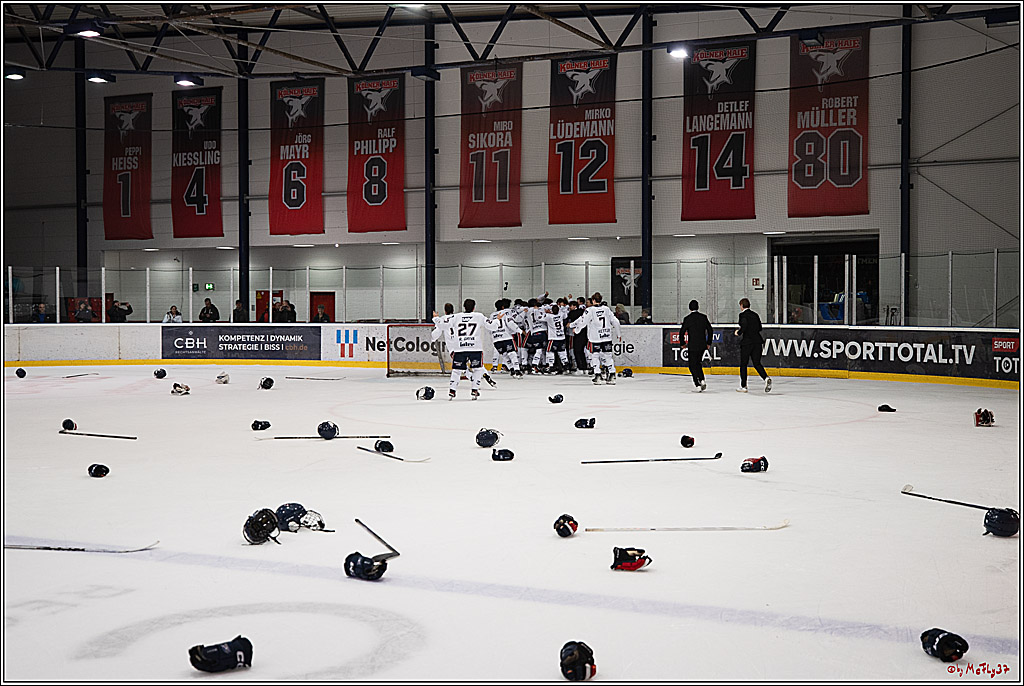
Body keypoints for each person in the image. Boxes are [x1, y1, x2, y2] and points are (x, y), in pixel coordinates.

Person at [437, 299, 500, 401]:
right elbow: (492, 326)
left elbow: (444, 325)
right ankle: (474, 389)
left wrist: (436, 319)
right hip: (475, 348)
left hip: (459, 347)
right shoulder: (479, 316)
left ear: (464, 307)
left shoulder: (456, 317)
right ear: (474, 307)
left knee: (456, 370)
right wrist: (497, 320)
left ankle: (452, 390)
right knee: (477, 369)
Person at [572, 292, 622, 385]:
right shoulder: (606, 309)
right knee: (608, 356)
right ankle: (612, 375)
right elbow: (615, 321)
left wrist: (577, 330)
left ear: (593, 300)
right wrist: (618, 334)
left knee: (595, 356)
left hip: (595, 338)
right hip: (606, 336)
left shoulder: (590, 310)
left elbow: (583, 322)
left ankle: (598, 375)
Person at [735, 298, 771, 393]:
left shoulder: (742, 315)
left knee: (743, 364)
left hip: (747, 342)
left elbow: (744, 325)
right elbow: (759, 327)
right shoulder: (755, 315)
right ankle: (766, 378)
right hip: (757, 341)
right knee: (757, 363)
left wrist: (738, 332)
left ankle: (744, 386)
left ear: (742, 305)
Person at [680, 300, 714, 392]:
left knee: (692, 365)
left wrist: (682, 343)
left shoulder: (687, 319)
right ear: (698, 307)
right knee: (698, 363)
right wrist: (708, 343)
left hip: (693, 345)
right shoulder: (703, 317)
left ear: (689, 308)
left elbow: (682, 332)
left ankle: (697, 383)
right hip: (702, 345)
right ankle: (702, 379)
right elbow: (710, 330)